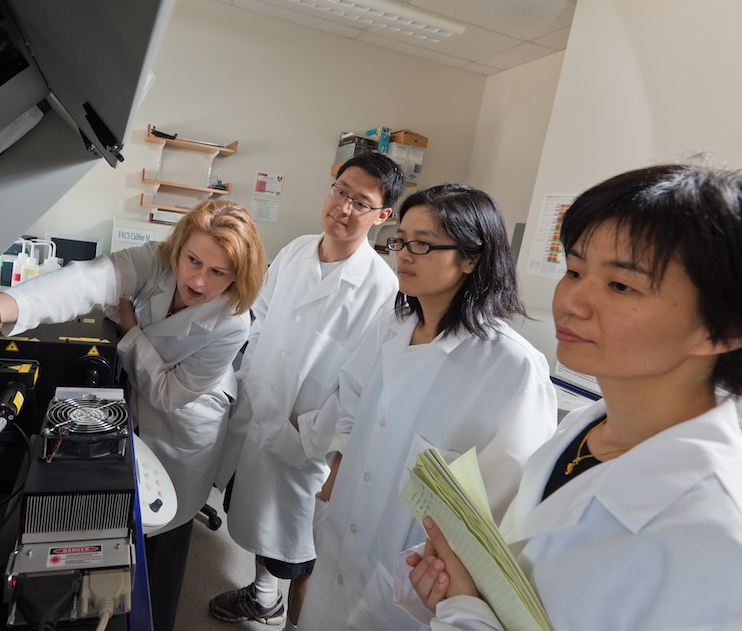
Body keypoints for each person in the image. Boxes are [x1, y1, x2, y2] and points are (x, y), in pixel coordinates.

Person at [0, 199, 268, 631]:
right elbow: (88, 279)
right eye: (193, 260)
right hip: (138, 401)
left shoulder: (233, 323)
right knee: (124, 519)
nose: (196, 279)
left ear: (237, 276)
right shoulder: (155, 262)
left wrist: (129, 329)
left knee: (166, 531)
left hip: (186, 426)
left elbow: (169, 393)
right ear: (179, 247)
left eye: (217, 272)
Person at [397, 164, 742, 630]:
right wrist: (466, 594)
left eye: (621, 285)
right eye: (575, 270)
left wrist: (465, 614)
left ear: (723, 329)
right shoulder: (584, 429)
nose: (571, 302)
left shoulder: (716, 536)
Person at [294, 184, 557, 631]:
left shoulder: (513, 368)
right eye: (400, 240)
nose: (403, 255)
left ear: (472, 258)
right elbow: (353, 399)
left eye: (422, 243)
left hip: (413, 579)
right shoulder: (395, 322)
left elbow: (505, 511)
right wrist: (332, 480)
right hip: (343, 532)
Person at [210, 152, 405, 629]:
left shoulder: (383, 289)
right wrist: (248, 378)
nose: (342, 208)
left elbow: (360, 387)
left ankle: (297, 620)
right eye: (340, 191)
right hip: (260, 412)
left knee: (303, 549)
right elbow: (260, 322)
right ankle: (261, 595)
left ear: (383, 217)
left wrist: (309, 438)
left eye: (360, 202)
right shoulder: (297, 250)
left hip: (310, 440)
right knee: (253, 512)